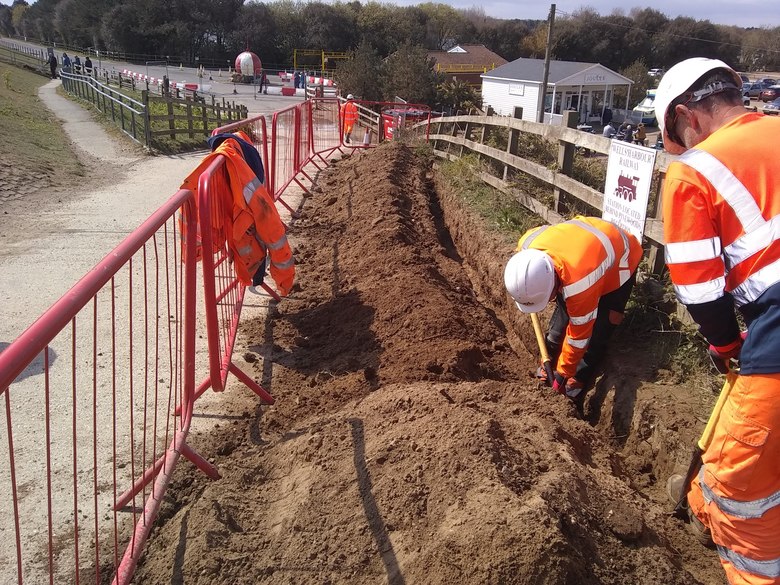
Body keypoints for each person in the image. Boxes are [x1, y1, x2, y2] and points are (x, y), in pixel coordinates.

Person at [656, 57, 780, 585]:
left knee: (738, 488)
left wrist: (726, 346)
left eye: (679, 138)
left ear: (689, 116)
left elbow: (700, 289)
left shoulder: (695, 170)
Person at [503, 216, 642, 409]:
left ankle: (578, 377)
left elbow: (579, 335)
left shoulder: (579, 284)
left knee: (601, 326)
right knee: (564, 316)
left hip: (620, 257)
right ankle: (549, 361)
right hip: (582, 249)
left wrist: (563, 375)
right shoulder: (527, 246)